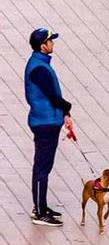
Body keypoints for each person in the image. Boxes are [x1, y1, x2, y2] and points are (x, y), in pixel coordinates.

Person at [23, 26, 75, 226]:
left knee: (45, 165)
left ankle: (41, 205)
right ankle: (39, 212)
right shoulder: (38, 68)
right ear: (43, 46)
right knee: (42, 167)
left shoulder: (40, 63)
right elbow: (53, 96)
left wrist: (65, 113)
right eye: (50, 41)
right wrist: (67, 107)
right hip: (44, 123)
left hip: (49, 121)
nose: (53, 43)